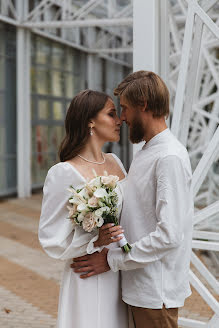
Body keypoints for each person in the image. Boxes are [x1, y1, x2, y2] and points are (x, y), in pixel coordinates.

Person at [71, 71, 194, 328]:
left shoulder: (168, 157)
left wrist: (110, 260)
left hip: (155, 293)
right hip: (139, 288)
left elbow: (170, 235)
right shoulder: (147, 152)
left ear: (144, 105)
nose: (123, 118)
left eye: (125, 109)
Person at [38, 90, 130, 328]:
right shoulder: (62, 173)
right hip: (89, 273)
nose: (119, 120)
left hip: (121, 267)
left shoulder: (115, 162)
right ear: (90, 120)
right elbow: (50, 238)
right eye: (111, 114)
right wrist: (94, 241)